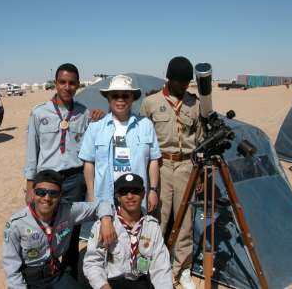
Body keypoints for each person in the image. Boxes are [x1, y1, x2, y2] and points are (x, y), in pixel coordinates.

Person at [24, 63, 104, 279]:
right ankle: (44, 272)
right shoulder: (39, 113)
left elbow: (94, 142)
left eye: (72, 83)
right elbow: (32, 152)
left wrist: (99, 117)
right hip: (47, 183)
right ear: (55, 83)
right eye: (63, 82)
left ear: (77, 85)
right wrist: (30, 187)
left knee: (71, 230)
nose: (67, 87)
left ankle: (68, 274)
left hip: (74, 180)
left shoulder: (84, 113)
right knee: (44, 227)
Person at [140, 56, 202, 289]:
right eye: (181, 81)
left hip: (187, 166)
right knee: (158, 219)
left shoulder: (194, 104)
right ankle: (155, 266)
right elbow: (142, 140)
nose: (185, 85)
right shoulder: (151, 103)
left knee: (185, 221)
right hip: (161, 166)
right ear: (170, 79)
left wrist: (200, 174)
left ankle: (183, 269)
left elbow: (201, 139)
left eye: (188, 81)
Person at [3, 169, 115, 289]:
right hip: (28, 279)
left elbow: (102, 204)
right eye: (41, 192)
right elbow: (11, 266)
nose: (47, 198)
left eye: (53, 193)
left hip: (55, 274)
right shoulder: (17, 223)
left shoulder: (69, 211)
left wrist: (106, 220)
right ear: (32, 193)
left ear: (60, 195)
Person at [79, 75, 161, 212]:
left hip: (136, 198)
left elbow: (153, 160)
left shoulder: (146, 125)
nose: (120, 100)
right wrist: (91, 193)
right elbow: (89, 163)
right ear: (108, 98)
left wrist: (153, 190)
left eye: (125, 95)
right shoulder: (95, 127)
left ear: (133, 98)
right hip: (104, 199)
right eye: (115, 96)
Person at [83, 173, 173, 289]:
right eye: (124, 192)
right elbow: (92, 263)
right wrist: (103, 286)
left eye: (135, 191)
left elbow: (161, 268)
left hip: (139, 281)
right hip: (109, 283)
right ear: (118, 197)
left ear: (143, 194)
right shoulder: (105, 225)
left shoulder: (152, 227)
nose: (130, 196)